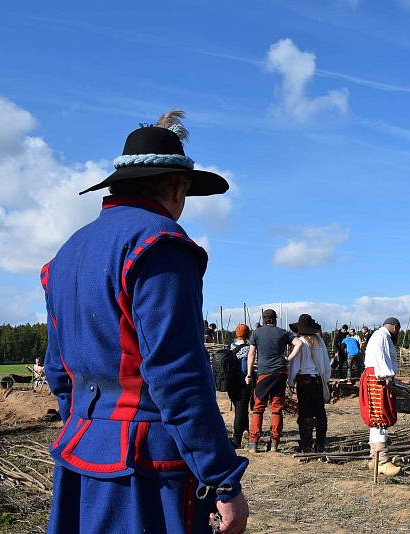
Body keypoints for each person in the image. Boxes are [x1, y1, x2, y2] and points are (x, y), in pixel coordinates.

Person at [42, 111, 249, 534]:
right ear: (175, 187)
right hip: (147, 469)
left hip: (81, 455)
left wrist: (88, 425)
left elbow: (58, 369)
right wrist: (222, 479)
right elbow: (177, 374)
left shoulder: (65, 255)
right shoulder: (162, 246)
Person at [245, 309, 302, 453]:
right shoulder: (282, 332)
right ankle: (275, 444)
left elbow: (251, 354)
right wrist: (288, 359)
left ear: (263, 320)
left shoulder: (256, 333)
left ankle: (253, 443)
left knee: (258, 407)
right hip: (280, 373)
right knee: (276, 408)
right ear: (275, 319)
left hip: (264, 373)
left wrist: (249, 374)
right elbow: (299, 344)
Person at [359, 317, 402, 476]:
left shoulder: (378, 335)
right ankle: (382, 462)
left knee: (376, 420)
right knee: (379, 418)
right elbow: (381, 358)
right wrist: (388, 378)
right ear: (395, 327)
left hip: (375, 377)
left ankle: (374, 458)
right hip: (378, 378)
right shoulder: (382, 336)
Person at [287, 314, 331, 453]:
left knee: (305, 413)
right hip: (317, 380)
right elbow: (326, 364)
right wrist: (325, 379)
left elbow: (295, 364)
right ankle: (320, 444)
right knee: (319, 413)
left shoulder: (300, 342)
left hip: (304, 381)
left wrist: (291, 381)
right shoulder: (320, 342)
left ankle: (306, 445)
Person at [228, 324, 252, 449]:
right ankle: (237, 439)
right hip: (242, 383)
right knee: (240, 410)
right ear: (248, 334)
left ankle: (246, 431)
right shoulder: (248, 349)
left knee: (241, 409)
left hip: (231, 383)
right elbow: (244, 367)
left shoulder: (230, 347)